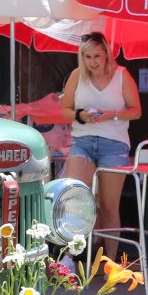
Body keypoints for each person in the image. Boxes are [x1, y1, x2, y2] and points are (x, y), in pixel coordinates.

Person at [59, 32, 141, 257]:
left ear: (106, 54)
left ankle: (109, 262)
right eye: (87, 57)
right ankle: (68, 257)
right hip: (82, 141)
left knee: (109, 206)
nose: (92, 62)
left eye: (96, 56)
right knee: (76, 198)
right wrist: (80, 115)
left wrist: (112, 115)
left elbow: (136, 111)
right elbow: (65, 110)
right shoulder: (77, 75)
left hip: (114, 144)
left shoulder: (122, 75)